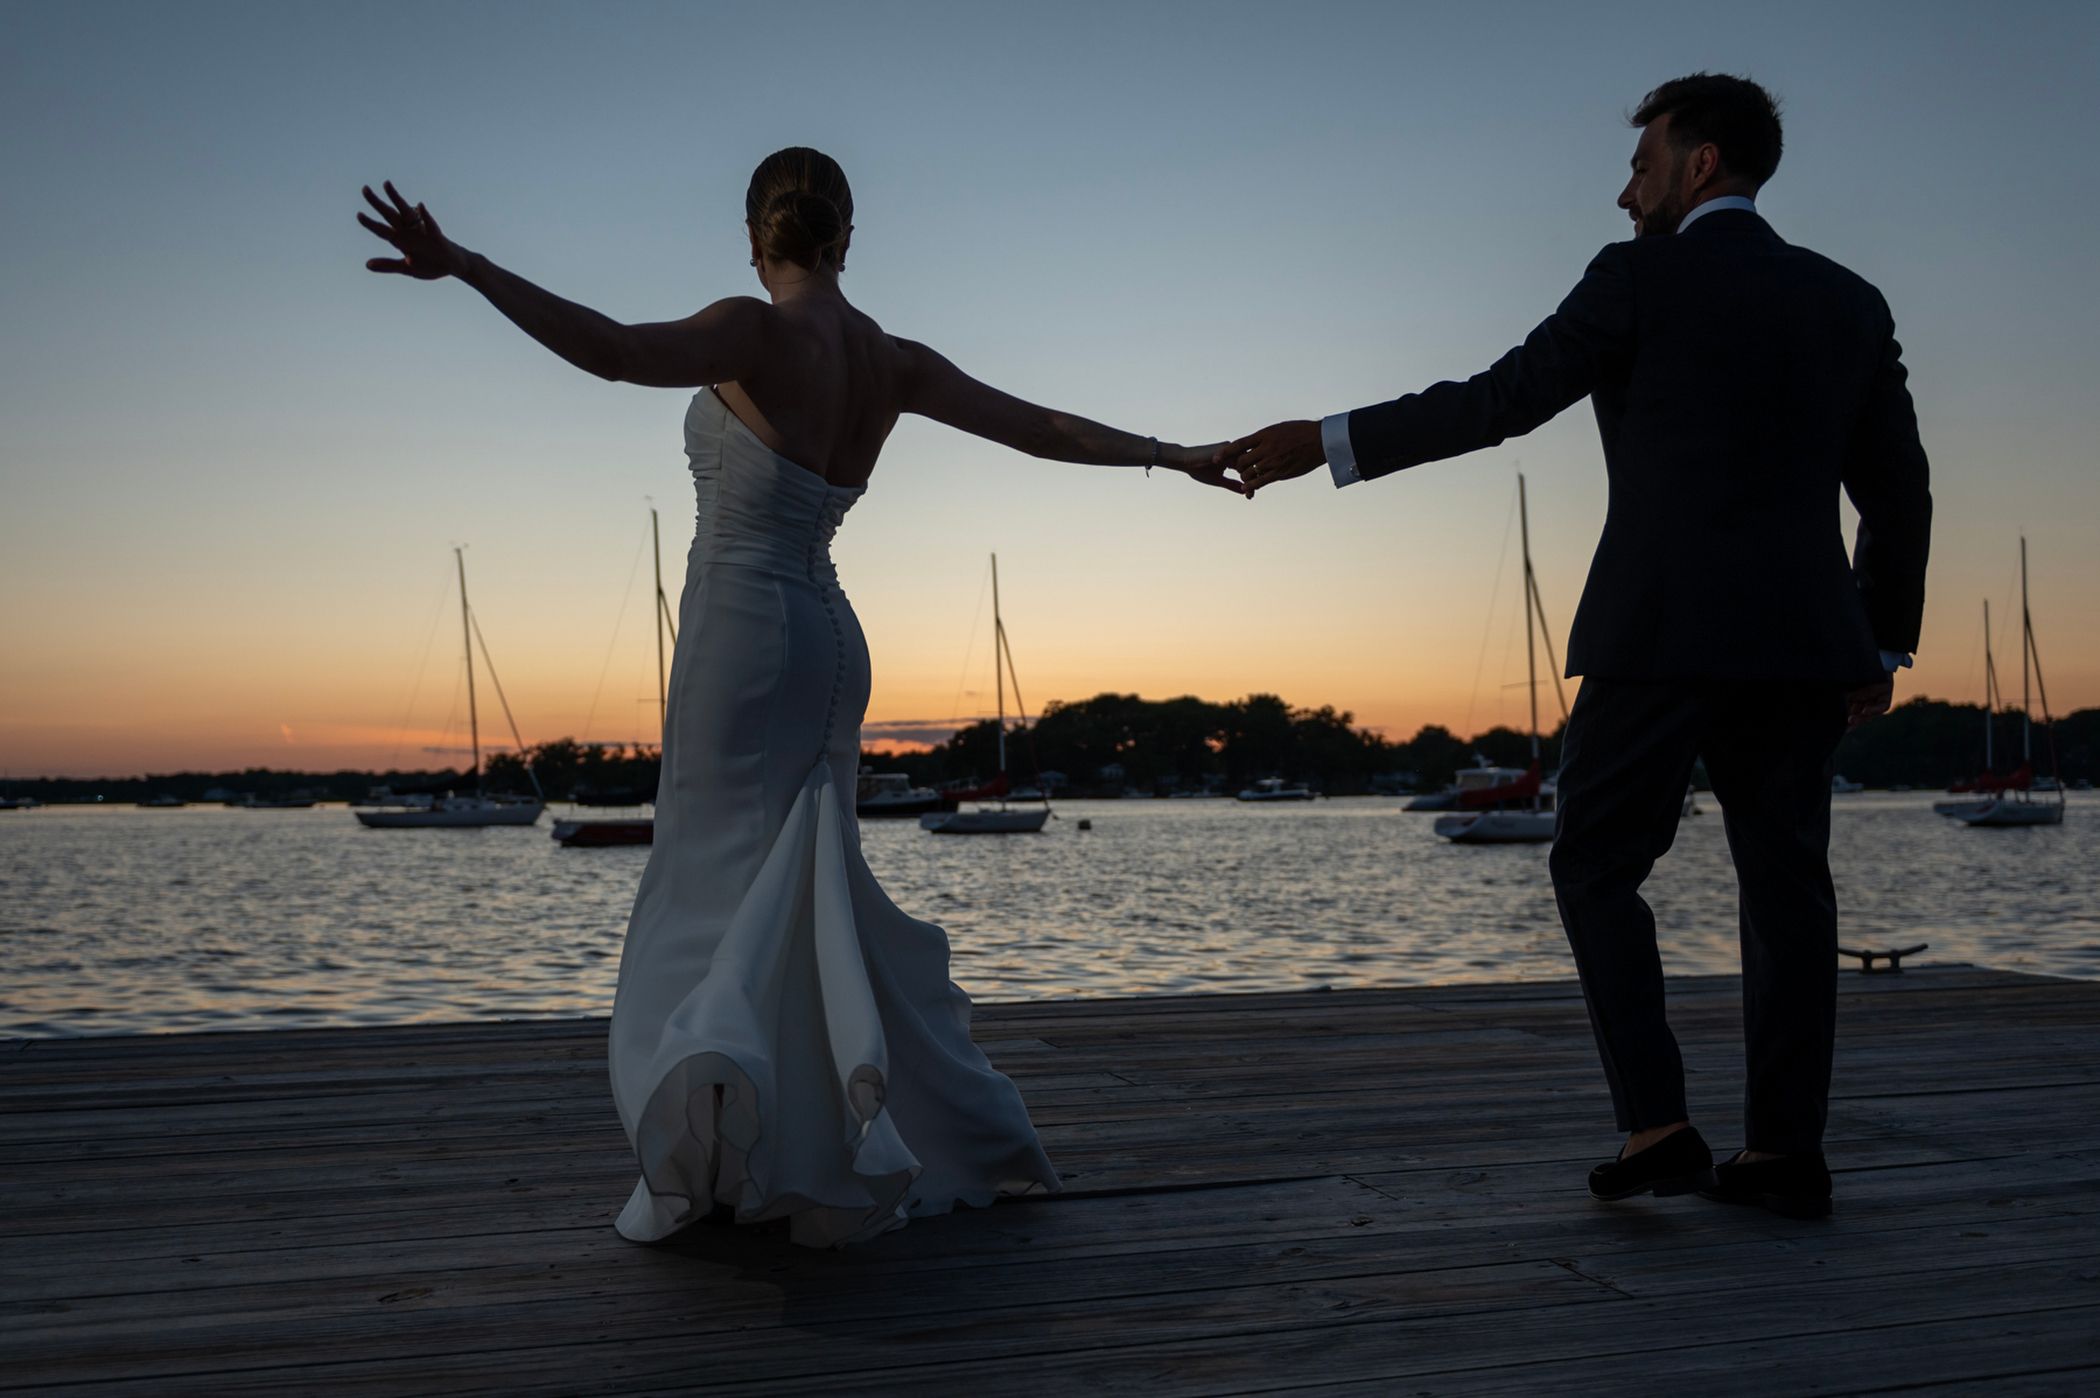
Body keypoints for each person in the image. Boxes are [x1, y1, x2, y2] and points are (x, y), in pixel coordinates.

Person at [358, 148, 1236, 1246]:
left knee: (710, 890)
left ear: (753, 237)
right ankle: (804, 1138)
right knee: (803, 882)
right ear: (847, 236)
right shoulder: (890, 359)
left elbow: (618, 353)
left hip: (744, 637)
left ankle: (740, 1147)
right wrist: (1178, 453)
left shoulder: (752, 328)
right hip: (831, 637)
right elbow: (1044, 428)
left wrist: (470, 266)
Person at [1219, 74, 1932, 1220]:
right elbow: (1898, 488)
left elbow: (1501, 399)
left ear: (1699, 165)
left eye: (1642, 164)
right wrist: (1879, 640)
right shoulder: (1850, 300)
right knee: (1788, 888)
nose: (1624, 189)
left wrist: (1329, 440)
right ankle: (1786, 1154)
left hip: (1656, 633)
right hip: (1806, 645)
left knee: (1596, 863)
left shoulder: (1636, 278)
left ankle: (1659, 1123)